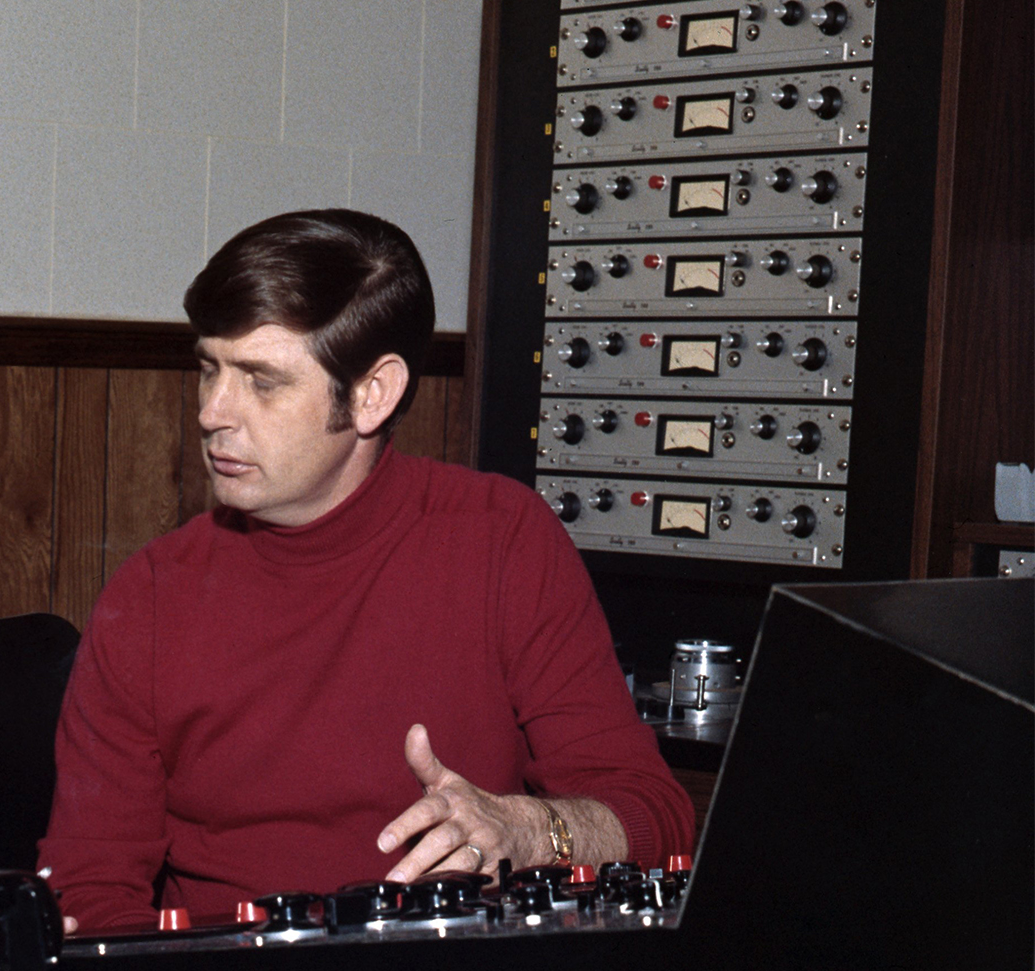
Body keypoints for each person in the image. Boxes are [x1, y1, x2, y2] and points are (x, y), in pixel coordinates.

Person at [36, 209, 694, 932]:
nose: (212, 412)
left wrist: (531, 831)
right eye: (208, 369)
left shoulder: (501, 539)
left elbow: (655, 817)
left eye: (262, 381)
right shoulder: (153, 592)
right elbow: (89, 887)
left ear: (373, 393)